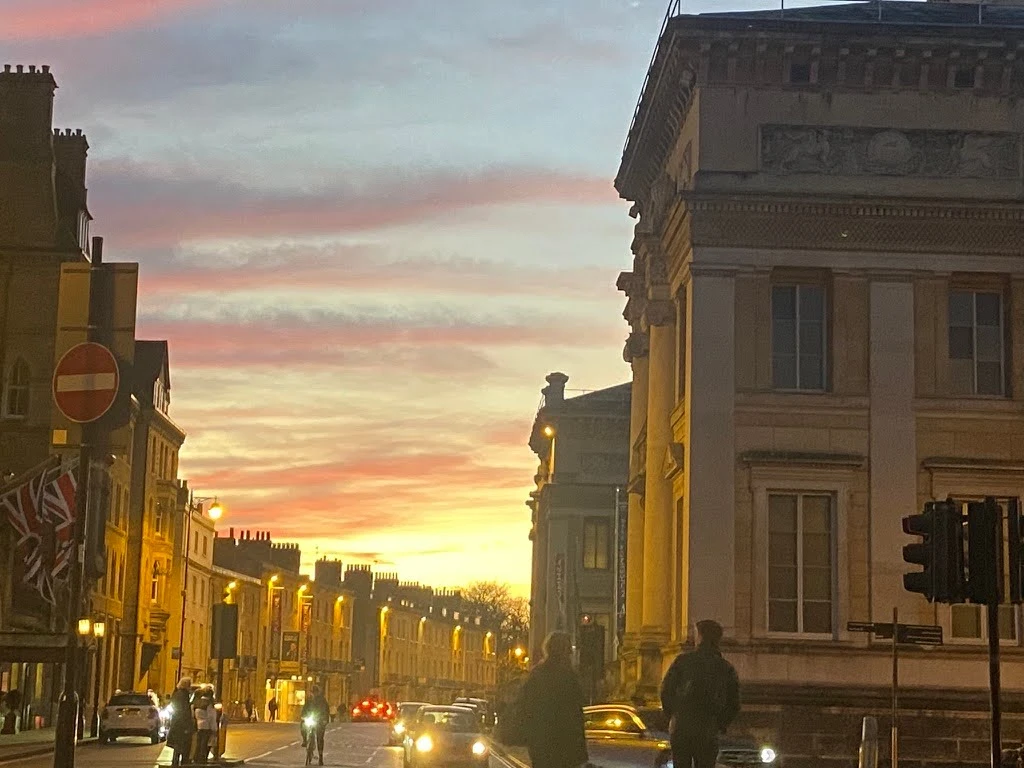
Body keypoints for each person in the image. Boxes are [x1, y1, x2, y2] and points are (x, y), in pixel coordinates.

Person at [660, 619, 740, 768]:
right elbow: (734, 703)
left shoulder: (683, 661)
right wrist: (721, 724)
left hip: (682, 726)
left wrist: (673, 715)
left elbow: (666, 691)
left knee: (681, 763)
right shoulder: (724, 667)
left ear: (700, 637)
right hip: (709, 727)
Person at [515, 631, 588, 768]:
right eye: (568, 650)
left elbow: (525, 708)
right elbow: (576, 714)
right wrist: (580, 751)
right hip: (566, 745)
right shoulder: (569, 676)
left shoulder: (537, 674)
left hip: (541, 743)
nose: (570, 654)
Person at [166, 678, 194, 768]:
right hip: (182, 725)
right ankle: (182, 763)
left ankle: (176, 763)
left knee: (178, 746)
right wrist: (187, 725)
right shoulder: (183, 695)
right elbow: (184, 711)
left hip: (177, 723)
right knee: (183, 745)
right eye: (189, 684)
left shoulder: (178, 694)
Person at [300, 685, 331, 766]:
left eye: (315, 692)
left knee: (320, 738)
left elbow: (326, 710)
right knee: (302, 725)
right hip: (310, 719)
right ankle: (304, 740)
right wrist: (303, 716)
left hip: (319, 721)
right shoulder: (309, 700)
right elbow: (304, 709)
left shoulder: (322, 700)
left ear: (318, 692)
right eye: (312, 692)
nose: (314, 694)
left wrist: (325, 720)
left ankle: (320, 757)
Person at [193, 693, 217, 764]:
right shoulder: (209, 705)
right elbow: (211, 717)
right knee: (205, 743)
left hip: (199, 725)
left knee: (199, 743)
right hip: (206, 726)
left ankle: (196, 758)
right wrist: (214, 728)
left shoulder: (198, 704)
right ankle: (202, 759)